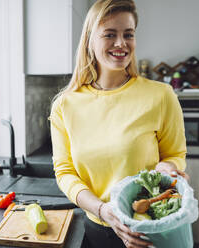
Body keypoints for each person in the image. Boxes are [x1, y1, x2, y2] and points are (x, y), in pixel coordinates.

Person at [49, 0, 189, 247]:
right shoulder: (65, 106)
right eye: (110, 34)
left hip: (150, 226)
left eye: (128, 34)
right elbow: (65, 172)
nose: (121, 43)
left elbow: (175, 154)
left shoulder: (161, 95)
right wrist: (103, 211)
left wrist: (167, 168)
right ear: (90, 40)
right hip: (97, 227)